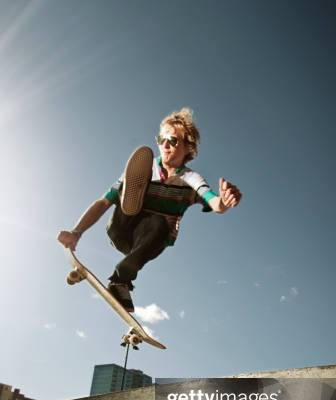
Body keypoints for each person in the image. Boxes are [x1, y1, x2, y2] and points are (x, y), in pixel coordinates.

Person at [57, 108, 242, 312]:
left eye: (172, 140)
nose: (165, 145)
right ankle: (133, 196)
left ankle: (121, 282)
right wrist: (76, 232)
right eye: (162, 138)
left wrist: (224, 202)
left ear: (188, 148)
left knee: (159, 222)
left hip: (150, 241)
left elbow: (214, 202)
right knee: (130, 191)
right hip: (121, 229)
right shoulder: (143, 167)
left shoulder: (191, 179)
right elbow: (103, 202)